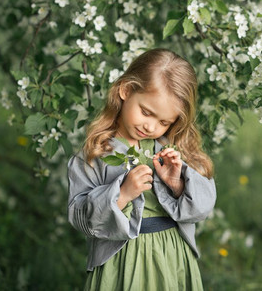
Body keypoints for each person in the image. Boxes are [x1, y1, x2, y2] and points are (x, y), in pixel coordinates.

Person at [67, 48, 216, 290]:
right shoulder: (97, 153)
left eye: (164, 122)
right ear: (126, 91)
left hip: (171, 255)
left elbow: (203, 207)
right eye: (146, 112)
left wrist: (177, 184)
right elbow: (80, 217)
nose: (150, 126)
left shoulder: (174, 150)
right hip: (121, 261)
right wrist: (122, 194)